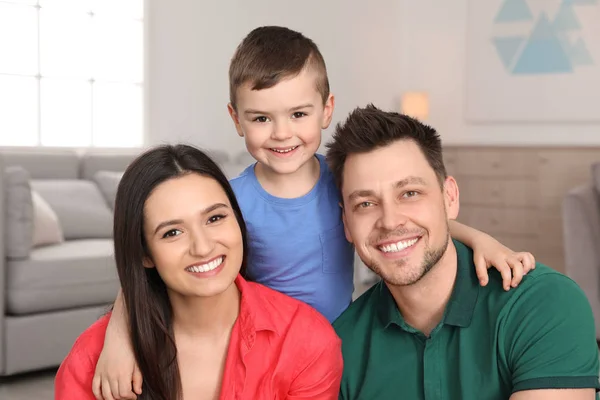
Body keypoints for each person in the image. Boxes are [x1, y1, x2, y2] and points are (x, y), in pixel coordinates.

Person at [93, 26, 535, 399]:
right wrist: (118, 337)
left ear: (326, 111)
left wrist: (481, 239)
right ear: (236, 119)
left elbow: (406, 218)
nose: (282, 133)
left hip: (337, 345)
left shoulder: (342, 184)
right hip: (265, 353)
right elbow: (153, 268)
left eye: (298, 113)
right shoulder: (228, 203)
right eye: (261, 118)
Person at [329, 105, 600, 400]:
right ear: (346, 223)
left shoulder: (543, 304)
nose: (390, 221)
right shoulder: (342, 346)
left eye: (410, 193)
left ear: (450, 198)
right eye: (365, 204)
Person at [55, 145, 343, 400]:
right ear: (144, 253)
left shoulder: (306, 343)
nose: (203, 247)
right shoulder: (92, 358)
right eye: (172, 232)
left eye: (215, 218)